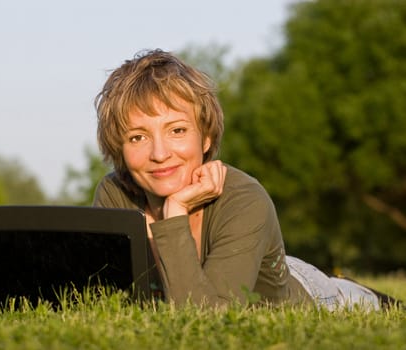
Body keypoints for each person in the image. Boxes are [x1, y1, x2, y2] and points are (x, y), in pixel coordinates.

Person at [92, 48, 398, 310]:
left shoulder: (244, 199)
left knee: (361, 302)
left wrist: (173, 215)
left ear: (207, 138)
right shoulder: (115, 195)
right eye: (137, 137)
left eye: (177, 130)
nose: (159, 153)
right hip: (242, 261)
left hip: (308, 293)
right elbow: (101, 295)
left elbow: (203, 319)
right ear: (119, 147)